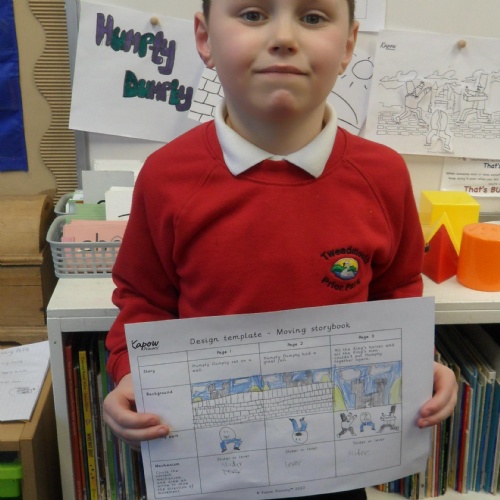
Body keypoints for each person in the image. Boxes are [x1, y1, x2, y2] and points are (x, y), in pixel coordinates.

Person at [103, 1, 458, 498]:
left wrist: (419, 366)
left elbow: (396, 297)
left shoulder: (383, 176)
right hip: (211, 466)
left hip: (335, 472)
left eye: (312, 17)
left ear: (348, 46)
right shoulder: (166, 177)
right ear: (204, 38)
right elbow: (143, 301)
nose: (284, 38)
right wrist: (129, 376)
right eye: (252, 14)